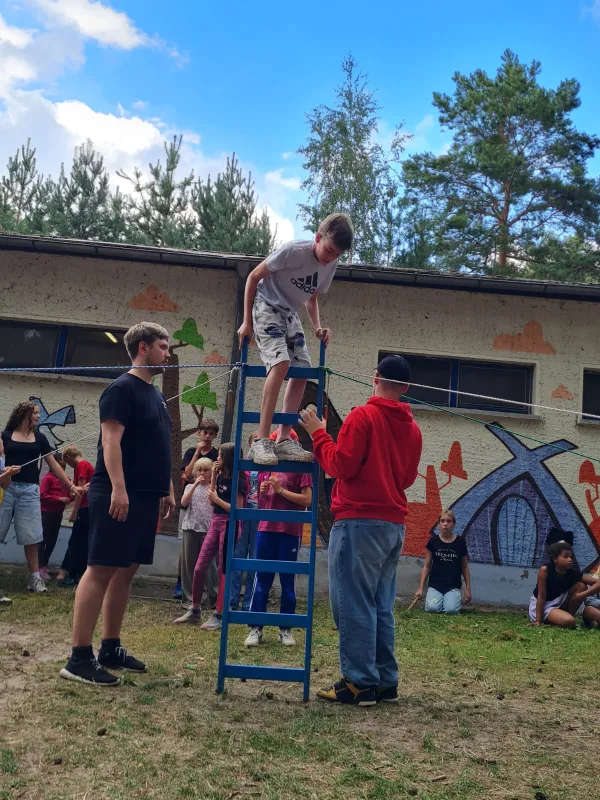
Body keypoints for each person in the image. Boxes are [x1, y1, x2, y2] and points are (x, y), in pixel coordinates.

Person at [300, 354, 423, 706]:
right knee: (380, 605)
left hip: (359, 521)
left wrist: (318, 434)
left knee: (353, 603)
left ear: (375, 377)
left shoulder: (362, 416)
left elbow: (340, 465)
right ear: (406, 387)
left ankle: (359, 682)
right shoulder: (413, 428)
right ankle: (385, 681)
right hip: (393, 524)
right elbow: (407, 478)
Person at [60, 321, 176, 686]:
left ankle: (109, 648)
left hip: (145, 496)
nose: (167, 353)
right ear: (143, 347)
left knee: (124, 572)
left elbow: (157, 443)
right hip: (119, 494)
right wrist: (119, 489)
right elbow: (110, 443)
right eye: (162, 346)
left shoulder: (154, 394)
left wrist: (167, 487)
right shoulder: (121, 389)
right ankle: (79, 659)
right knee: (100, 569)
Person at [237, 213, 354, 466]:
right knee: (281, 363)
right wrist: (247, 321)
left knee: (302, 369)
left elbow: (312, 298)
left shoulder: (331, 264)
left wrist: (317, 327)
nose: (331, 257)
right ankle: (261, 440)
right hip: (266, 306)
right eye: (329, 250)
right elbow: (253, 277)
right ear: (318, 237)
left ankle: (283, 438)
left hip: (290, 313)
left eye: (337, 254)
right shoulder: (293, 251)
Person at [0, 400, 81, 593]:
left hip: (30, 491)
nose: (38, 416)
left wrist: (70, 485)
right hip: (6, 489)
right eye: (35, 413)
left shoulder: (40, 438)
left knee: (32, 537)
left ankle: (35, 579)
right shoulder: (6, 435)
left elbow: (53, 465)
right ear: (25, 414)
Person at [174, 443, 246, 630]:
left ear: (228, 458)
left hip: (229, 524)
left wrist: (216, 499)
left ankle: (219, 614)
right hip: (215, 522)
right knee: (199, 567)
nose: (217, 459)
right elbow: (211, 500)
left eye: (220, 455)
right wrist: (213, 476)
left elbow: (237, 509)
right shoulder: (220, 476)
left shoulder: (239, 480)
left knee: (223, 569)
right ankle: (195, 610)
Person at [244, 461, 313, 647]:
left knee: (287, 580)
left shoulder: (301, 467)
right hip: (266, 528)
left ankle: (286, 628)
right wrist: (264, 493)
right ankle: (255, 628)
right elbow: (264, 502)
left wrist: (280, 490)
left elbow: (307, 500)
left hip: (290, 531)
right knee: (261, 578)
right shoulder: (267, 466)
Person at [173, 419, 220, 599]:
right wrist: (197, 453)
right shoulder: (191, 451)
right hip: (191, 500)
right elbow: (188, 474)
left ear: (214, 436)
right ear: (199, 433)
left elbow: (216, 476)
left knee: (207, 552)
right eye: (204, 433)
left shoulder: (216, 454)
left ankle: (207, 589)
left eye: (211, 433)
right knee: (186, 549)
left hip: (206, 505)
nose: (207, 436)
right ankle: (181, 583)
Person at [529, 542, 600, 628]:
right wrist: (538, 621)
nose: (570, 560)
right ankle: (562, 619)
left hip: (560, 602)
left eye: (571, 557)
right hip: (544, 606)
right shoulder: (545, 570)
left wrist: (582, 595)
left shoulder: (572, 573)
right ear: (555, 559)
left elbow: (598, 583)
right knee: (569, 621)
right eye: (565, 557)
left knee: (581, 585)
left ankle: (566, 616)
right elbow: (541, 596)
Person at [179, 457, 218, 609]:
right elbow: (183, 503)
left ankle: (213, 598)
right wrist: (195, 484)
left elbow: (213, 503)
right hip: (190, 527)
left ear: (210, 472)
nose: (202, 473)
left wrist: (212, 483)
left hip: (208, 529)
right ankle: (189, 598)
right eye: (199, 470)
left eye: (205, 470)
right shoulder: (190, 487)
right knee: (189, 564)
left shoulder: (214, 488)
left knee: (210, 565)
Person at [414, 510, 471, 614]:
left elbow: (465, 567)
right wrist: (421, 588)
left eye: (448, 521)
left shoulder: (460, 542)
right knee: (432, 608)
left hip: (453, 585)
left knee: (451, 610)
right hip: (435, 585)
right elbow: (427, 566)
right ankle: (439, 601)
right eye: (442, 521)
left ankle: (450, 601)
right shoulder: (433, 541)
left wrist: (468, 589)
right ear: (439, 524)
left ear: (453, 524)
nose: (445, 524)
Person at [230, 432, 260, 612]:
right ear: (249, 444)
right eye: (254, 440)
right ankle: (232, 601)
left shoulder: (267, 466)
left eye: (260, 440)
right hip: (243, 514)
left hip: (260, 516)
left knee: (255, 560)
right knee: (237, 557)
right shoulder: (243, 466)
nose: (257, 443)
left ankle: (249, 602)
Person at [62, 445, 95, 584]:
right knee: (82, 541)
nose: (69, 465)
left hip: (84, 509)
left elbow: (80, 491)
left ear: (69, 457)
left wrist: (74, 512)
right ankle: (79, 574)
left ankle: (72, 575)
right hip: (89, 509)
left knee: (76, 542)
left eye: (67, 462)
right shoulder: (86, 465)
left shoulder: (81, 466)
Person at [39, 456, 73, 581]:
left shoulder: (66, 480)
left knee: (52, 540)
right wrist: (58, 499)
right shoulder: (48, 478)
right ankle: (39, 567)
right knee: (43, 539)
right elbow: (42, 495)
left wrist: (73, 497)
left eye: (64, 468)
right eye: (60, 467)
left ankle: (45, 563)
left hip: (58, 513)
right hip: (46, 512)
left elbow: (68, 496)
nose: (62, 470)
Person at [0, 439, 20, 605]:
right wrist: (6, 474)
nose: (2, 445)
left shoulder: (1, 461)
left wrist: (8, 474)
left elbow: (5, 486)